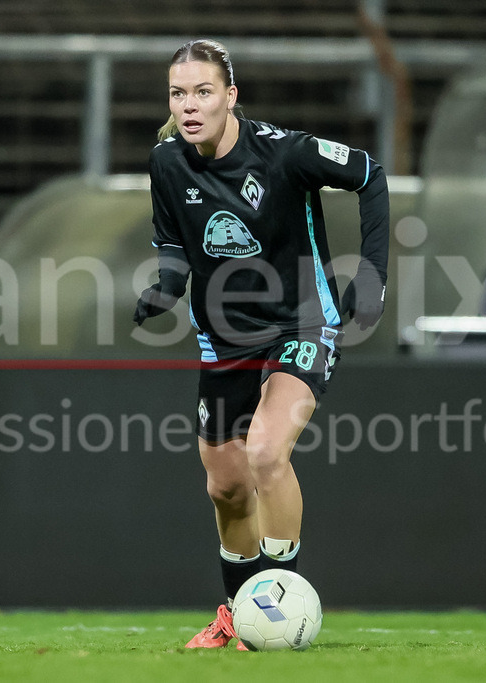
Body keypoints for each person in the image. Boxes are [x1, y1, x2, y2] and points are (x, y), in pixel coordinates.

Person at [133, 39, 388, 649]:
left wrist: (372, 276)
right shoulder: (166, 162)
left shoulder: (286, 154)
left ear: (231, 97)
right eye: (178, 93)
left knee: (267, 453)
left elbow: (369, 175)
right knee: (225, 486)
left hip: (302, 321)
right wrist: (166, 288)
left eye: (203, 91)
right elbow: (172, 243)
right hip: (223, 338)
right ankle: (235, 614)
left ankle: (280, 605)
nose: (189, 105)